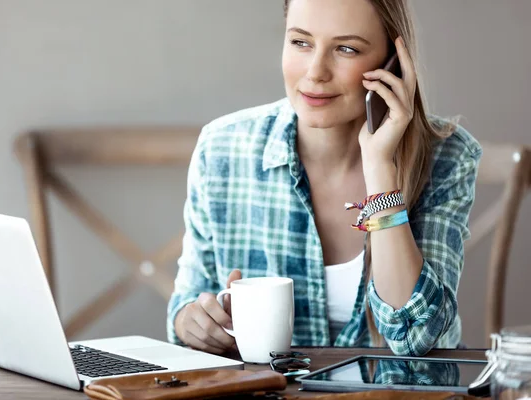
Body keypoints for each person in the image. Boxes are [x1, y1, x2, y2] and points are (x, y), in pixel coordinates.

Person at [166, 0, 482, 357]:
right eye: (301, 42)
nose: (315, 72)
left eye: (346, 49)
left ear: (392, 62)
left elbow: (416, 338)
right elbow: (188, 301)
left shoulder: (447, 155)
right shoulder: (223, 148)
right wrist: (192, 322)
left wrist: (380, 166)